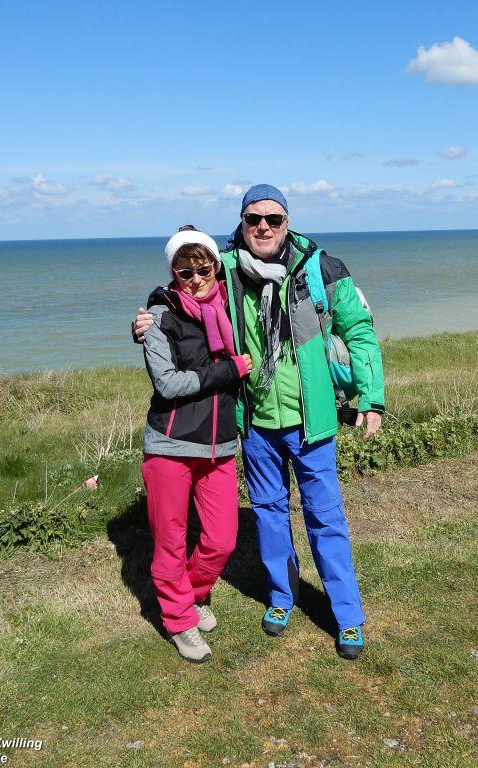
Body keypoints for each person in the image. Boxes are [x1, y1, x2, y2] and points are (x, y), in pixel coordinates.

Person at [135, 186, 385, 659]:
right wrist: (147, 320)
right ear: (242, 223)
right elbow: (185, 288)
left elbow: (358, 327)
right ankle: (281, 598)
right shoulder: (227, 269)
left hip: (313, 422)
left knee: (325, 519)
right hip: (255, 425)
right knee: (270, 516)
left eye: (273, 218)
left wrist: (370, 398)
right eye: (253, 219)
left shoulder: (320, 268)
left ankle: (347, 615)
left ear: (287, 221)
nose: (263, 227)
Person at [139, 225, 253, 663]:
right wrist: (230, 371)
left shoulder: (233, 305)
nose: (195, 279)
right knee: (170, 541)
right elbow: (168, 384)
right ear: (173, 272)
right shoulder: (160, 316)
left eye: (203, 268)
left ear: (215, 265)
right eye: (184, 272)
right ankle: (179, 620)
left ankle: (193, 593)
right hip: (170, 445)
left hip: (220, 445)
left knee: (222, 539)